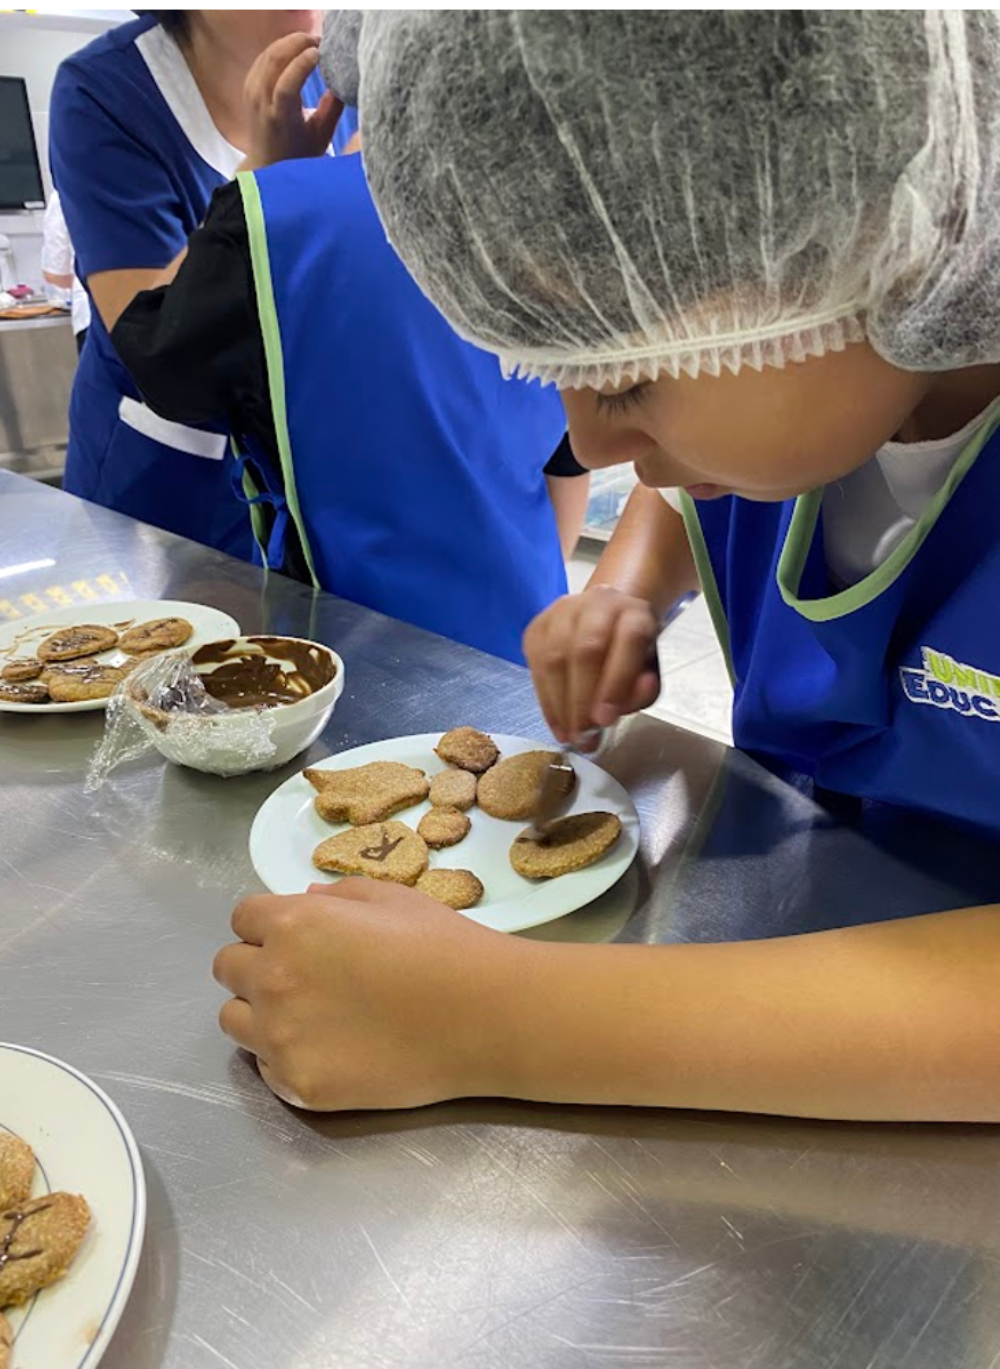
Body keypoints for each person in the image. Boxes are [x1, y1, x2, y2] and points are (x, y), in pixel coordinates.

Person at [214, 9, 1000, 1123]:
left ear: (900, 225)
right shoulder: (832, 375)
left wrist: (500, 1020)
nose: (587, 447)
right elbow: (714, 477)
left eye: (627, 375)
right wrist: (628, 582)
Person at [111, 117, 586, 661]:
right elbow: (572, 457)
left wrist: (263, 162)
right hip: (527, 633)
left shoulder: (274, 214)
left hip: (351, 645)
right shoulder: (551, 200)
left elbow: (159, 370)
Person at [49, 9, 357, 556]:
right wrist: (265, 178)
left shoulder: (349, 68)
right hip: (163, 485)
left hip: (318, 465)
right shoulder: (107, 92)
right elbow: (151, 333)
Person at [40, 191, 90, 354]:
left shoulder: (65, 192)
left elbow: (56, 274)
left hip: (92, 316)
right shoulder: (147, 182)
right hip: (153, 312)